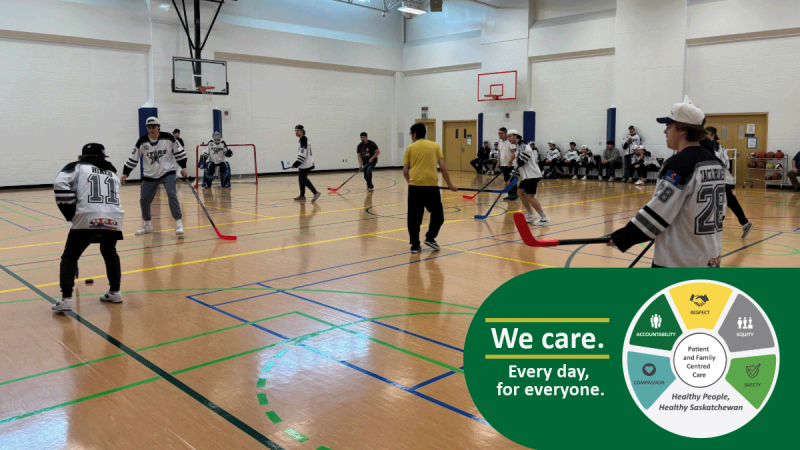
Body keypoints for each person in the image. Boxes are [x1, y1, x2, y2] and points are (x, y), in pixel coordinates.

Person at [608, 103, 727, 267]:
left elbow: (660, 209)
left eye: (669, 127)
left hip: (679, 258)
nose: (665, 131)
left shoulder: (680, 164)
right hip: (710, 254)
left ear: (683, 130)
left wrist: (626, 236)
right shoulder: (717, 163)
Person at [52, 143, 124, 311]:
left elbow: (59, 184)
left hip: (88, 215)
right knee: (110, 252)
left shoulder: (76, 167)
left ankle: (67, 299)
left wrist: (71, 211)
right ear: (102, 157)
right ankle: (115, 291)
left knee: (70, 257)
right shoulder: (112, 172)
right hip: (114, 216)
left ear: (83, 156)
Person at [122, 117, 188, 236]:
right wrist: (126, 173)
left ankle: (179, 224)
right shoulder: (142, 141)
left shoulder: (168, 138)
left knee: (171, 193)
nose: (151, 129)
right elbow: (133, 158)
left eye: (153, 127)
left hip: (167, 172)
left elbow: (179, 152)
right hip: (150, 175)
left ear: (158, 127)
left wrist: (183, 167)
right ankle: (147, 225)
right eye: (149, 127)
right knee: (144, 199)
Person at [403, 122, 458, 254]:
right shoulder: (435, 146)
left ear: (415, 134)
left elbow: (405, 171)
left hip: (415, 187)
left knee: (414, 217)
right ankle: (430, 237)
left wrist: (410, 182)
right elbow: (443, 167)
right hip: (431, 187)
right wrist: (450, 185)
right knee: (438, 215)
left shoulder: (410, 148)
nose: (411, 137)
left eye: (411, 134)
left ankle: (415, 245)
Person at [703, 126, 754, 237]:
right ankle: (745, 223)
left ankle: (718, 226)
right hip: (721, 177)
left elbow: (716, 162)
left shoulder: (713, 147)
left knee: (722, 201)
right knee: (730, 201)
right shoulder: (717, 146)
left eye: (706, 134)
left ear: (712, 135)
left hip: (719, 177)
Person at [507, 130, 549, 225]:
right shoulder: (518, 147)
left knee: (530, 196)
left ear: (515, 135)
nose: (508, 139)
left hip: (532, 175)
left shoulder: (523, 144)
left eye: (510, 136)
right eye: (508, 137)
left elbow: (523, 159)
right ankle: (530, 214)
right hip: (526, 176)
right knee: (519, 192)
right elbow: (519, 164)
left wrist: (516, 166)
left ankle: (544, 217)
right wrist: (512, 177)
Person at [293, 125, 320, 202]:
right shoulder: (303, 139)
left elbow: (302, 155)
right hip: (304, 163)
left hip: (305, 164)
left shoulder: (303, 140)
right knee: (300, 179)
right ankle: (302, 195)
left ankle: (315, 192)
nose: (296, 132)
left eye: (298, 130)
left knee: (304, 179)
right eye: (295, 131)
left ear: (302, 131)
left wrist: (296, 164)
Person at [497, 128, 518, 200]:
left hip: (510, 165)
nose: (500, 135)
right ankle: (510, 194)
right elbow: (500, 152)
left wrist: (510, 162)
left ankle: (515, 194)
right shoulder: (500, 142)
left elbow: (514, 153)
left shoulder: (510, 142)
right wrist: (498, 161)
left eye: (501, 133)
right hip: (503, 164)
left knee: (511, 180)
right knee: (506, 180)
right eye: (499, 133)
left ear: (505, 134)